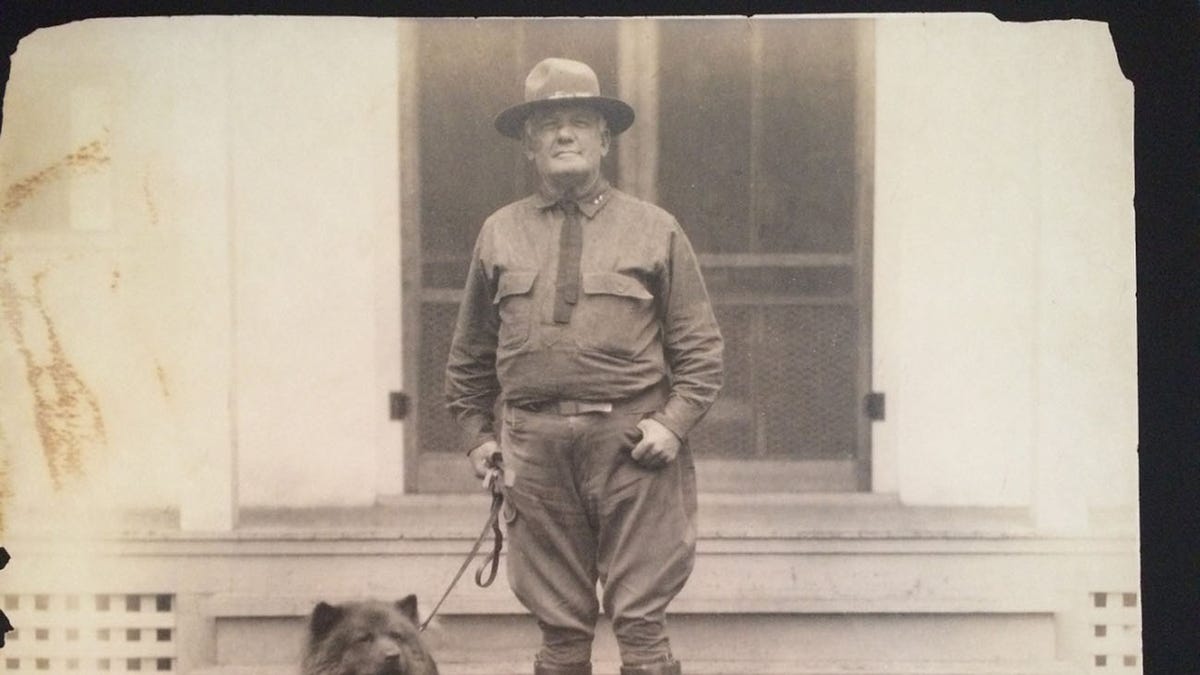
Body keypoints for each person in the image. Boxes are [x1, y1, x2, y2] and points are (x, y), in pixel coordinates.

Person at [445, 57, 723, 675]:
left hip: (633, 448)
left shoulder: (655, 229)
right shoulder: (499, 233)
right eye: (548, 124)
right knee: (561, 630)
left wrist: (672, 425)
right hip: (535, 452)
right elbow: (468, 358)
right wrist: (477, 439)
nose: (564, 134)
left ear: (604, 139)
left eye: (580, 121)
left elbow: (701, 350)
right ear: (528, 144)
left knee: (643, 627)